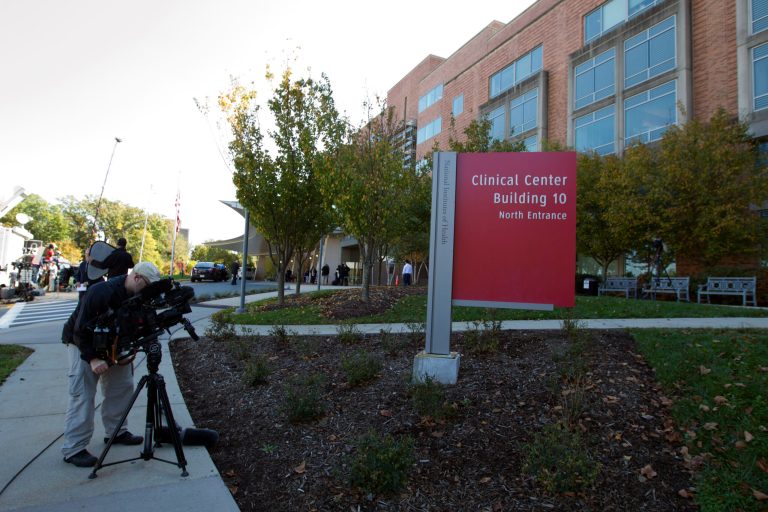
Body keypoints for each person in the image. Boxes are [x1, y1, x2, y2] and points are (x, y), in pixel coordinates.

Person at [60, 261, 161, 467]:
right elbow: (80, 330)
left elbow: (143, 326)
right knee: (83, 394)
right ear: (137, 277)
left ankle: (116, 432)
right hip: (82, 344)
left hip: (115, 344)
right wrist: (93, 359)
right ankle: (74, 448)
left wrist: (130, 349)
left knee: (121, 388)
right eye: (148, 285)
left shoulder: (140, 298)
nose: (148, 291)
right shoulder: (101, 292)